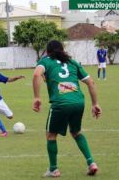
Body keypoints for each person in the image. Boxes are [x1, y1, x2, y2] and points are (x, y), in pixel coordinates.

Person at [32, 40, 102, 177]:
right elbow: (91, 82)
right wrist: (95, 104)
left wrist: (36, 97)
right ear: (62, 50)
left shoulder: (45, 61)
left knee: (51, 135)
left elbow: (36, 75)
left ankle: (53, 169)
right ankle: (91, 163)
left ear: (47, 51)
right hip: (78, 102)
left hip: (60, 103)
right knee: (76, 132)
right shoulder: (72, 62)